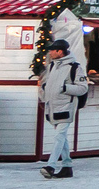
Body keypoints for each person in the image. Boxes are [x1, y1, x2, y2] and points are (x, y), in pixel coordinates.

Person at [38, 28, 90, 180]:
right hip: (53, 107)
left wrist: (64, 88)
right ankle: (67, 166)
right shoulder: (52, 66)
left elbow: (82, 88)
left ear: (60, 52)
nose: (50, 53)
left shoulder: (74, 67)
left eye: (52, 50)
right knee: (62, 137)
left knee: (59, 136)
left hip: (66, 107)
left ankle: (51, 165)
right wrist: (45, 90)